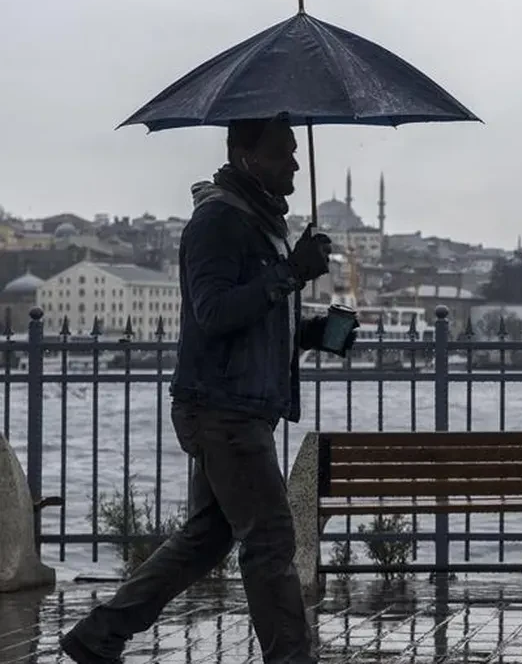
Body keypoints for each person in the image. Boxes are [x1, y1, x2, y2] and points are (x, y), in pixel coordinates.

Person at [60, 118, 355, 664]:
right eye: (282, 153)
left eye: (295, 152)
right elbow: (214, 312)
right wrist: (291, 271)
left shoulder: (263, 223)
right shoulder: (217, 221)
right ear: (247, 158)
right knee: (268, 540)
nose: (294, 163)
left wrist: (318, 332)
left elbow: (260, 319)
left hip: (240, 406)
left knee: (207, 539)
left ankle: (97, 635)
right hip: (222, 408)